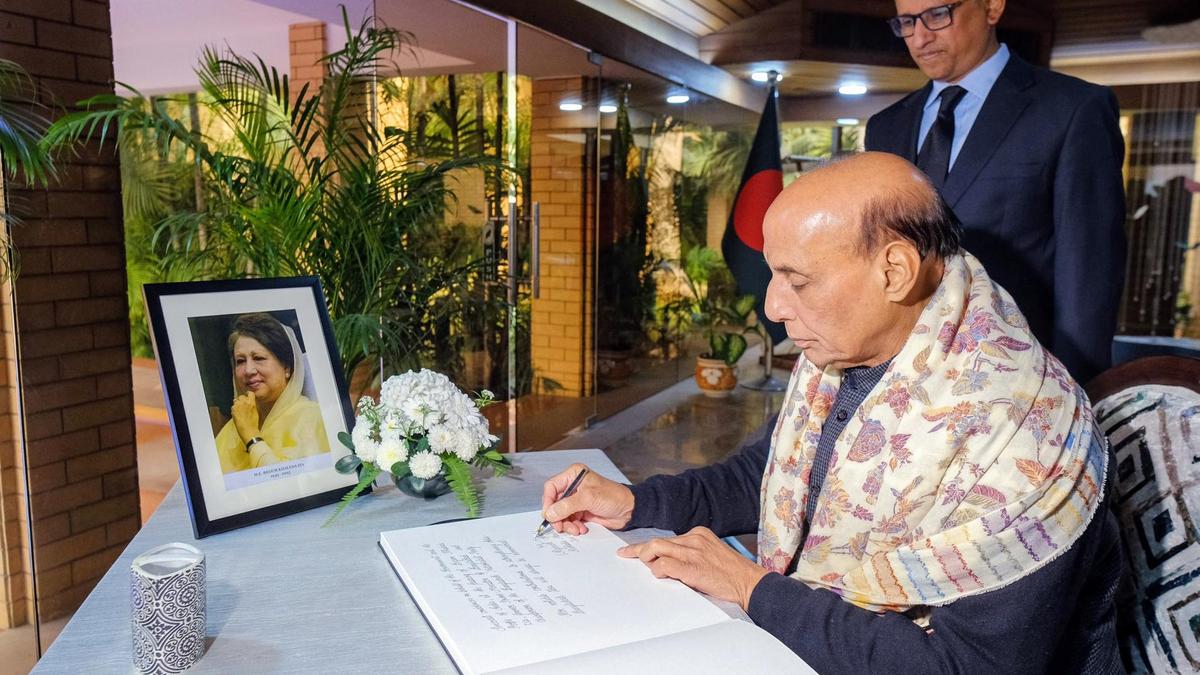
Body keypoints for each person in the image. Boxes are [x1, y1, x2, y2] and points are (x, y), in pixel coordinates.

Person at [541, 153, 1121, 673]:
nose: (773, 306)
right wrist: (639, 502)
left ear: (895, 271)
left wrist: (752, 588)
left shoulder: (1028, 437)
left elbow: (965, 666)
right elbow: (776, 475)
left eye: (797, 280)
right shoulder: (855, 342)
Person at [865, 0, 1126, 385]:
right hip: (899, 376)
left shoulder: (1072, 109)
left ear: (992, 7)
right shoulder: (885, 126)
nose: (919, 37)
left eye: (937, 15)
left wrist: (1076, 390)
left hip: (1016, 377)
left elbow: (1088, 272)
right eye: (907, 22)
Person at [214, 313, 330, 474]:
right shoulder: (232, 428)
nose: (248, 370)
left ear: (286, 367)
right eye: (240, 361)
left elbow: (290, 484)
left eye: (259, 358)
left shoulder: (314, 418)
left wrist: (251, 437)